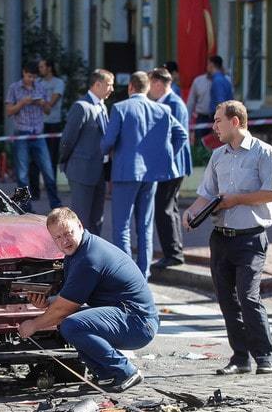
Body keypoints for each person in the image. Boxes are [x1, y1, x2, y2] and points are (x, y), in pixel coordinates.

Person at [183, 100, 272, 375]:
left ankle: (265, 356)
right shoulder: (218, 155)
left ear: (235, 121)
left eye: (218, 121)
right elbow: (207, 193)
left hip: (250, 238)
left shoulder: (264, 153)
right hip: (221, 237)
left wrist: (237, 199)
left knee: (248, 297)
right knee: (227, 300)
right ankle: (240, 358)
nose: (214, 126)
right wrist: (192, 211)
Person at [18, 207, 158, 392]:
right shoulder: (77, 252)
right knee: (68, 324)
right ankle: (105, 375)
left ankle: (124, 371)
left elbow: (65, 308)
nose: (64, 241)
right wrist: (47, 302)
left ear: (80, 226)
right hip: (128, 316)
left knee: (72, 325)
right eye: (57, 238)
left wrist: (34, 325)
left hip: (138, 323)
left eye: (68, 233)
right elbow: (66, 299)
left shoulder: (89, 258)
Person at [101, 71, 188, 279]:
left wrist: (104, 152)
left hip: (125, 173)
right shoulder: (162, 109)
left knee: (122, 227)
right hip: (151, 175)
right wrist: (163, 157)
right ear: (147, 87)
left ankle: (125, 275)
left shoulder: (120, 108)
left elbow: (107, 142)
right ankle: (143, 273)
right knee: (145, 226)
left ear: (131, 87)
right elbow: (182, 135)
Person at [59, 69, 114, 236]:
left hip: (99, 172)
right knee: (81, 219)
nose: (112, 89)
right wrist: (64, 162)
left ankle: (93, 256)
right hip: (81, 171)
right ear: (97, 84)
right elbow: (67, 139)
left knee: (97, 219)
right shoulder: (81, 107)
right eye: (109, 85)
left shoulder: (102, 106)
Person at [148, 67, 192, 269]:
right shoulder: (168, 102)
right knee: (169, 208)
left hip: (171, 167)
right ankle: (174, 251)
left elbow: (178, 137)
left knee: (163, 209)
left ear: (158, 83)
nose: (149, 89)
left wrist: (165, 161)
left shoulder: (172, 104)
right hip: (172, 166)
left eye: (151, 84)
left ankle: (172, 253)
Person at [5, 61, 61, 212]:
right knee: (22, 174)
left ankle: (56, 205)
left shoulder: (40, 87)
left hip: (38, 134)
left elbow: (48, 111)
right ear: (23, 73)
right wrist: (22, 103)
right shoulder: (14, 88)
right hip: (22, 134)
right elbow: (9, 111)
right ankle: (24, 206)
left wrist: (43, 104)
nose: (31, 80)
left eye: (34, 77)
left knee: (48, 171)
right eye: (29, 76)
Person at [30, 58, 65, 196]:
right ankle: (34, 191)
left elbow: (51, 104)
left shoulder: (58, 83)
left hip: (53, 124)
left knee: (51, 157)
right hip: (37, 124)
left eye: (42, 67)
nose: (40, 70)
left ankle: (51, 191)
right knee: (33, 158)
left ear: (49, 68)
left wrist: (39, 101)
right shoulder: (37, 82)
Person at [186, 66, 213, 143]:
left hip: (219, 117)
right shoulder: (198, 81)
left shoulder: (223, 80)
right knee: (199, 144)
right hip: (202, 118)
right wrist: (187, 120)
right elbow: (191, 102)